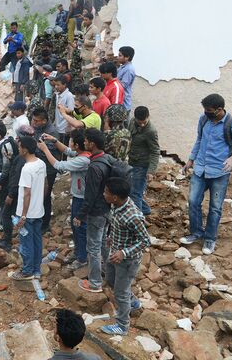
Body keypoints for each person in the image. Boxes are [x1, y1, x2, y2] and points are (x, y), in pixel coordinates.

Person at [180, 94, 232, 255]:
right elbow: (199, 140)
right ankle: (196, 232)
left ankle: (210, 238)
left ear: (219, 109)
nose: (206, 112)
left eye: (209, 110)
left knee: (215, 207)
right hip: (200, 168)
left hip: (220, 171)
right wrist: (190, 160)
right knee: (193, 201)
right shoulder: (204, 119)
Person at [99, 177, 150, 336]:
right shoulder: (115, 205)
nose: (103, 194)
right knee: (111, 281)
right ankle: (133, 302)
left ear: (114, 196)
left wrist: (123, 253)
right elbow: (117, 225)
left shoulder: (133, 216)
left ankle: (122, 326)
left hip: (127, 260)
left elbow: (145, 240)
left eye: (106, 192)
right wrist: (111, 238)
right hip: (115, 253)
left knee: (120, 293)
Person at [39, 129, 91, 270]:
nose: (69, 143)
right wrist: (54, 141)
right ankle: (79, 252)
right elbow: (68, 151)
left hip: (81, 198)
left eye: (71, 140)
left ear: (77, 145)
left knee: (79, 227)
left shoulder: (82, 160)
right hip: (78, 196)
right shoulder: (82, 154)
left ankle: (82, 258)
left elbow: (59, 165)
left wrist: (45, 149)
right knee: (76, 226)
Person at [77, 129, 114, 293]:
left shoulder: (94, 168)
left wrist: (80, 215)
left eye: (86, 141)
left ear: (92, 143)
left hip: (96, 213)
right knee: (104, 244)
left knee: (93, 248)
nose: (84, 143)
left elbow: (90, 196)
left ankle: (94, 283)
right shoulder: (107, 159)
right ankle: (109, 274)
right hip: (107, 210)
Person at [10, 136, 47, 281]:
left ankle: (27, 271)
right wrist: (39, 202)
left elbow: (27, 193)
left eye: (19, 147)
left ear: (25, 150)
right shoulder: (41, 164)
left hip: (26, 214)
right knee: (37, 241)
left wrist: (23, 215)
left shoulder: (27, 169)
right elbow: (45, 185)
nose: (18, 149)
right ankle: (36, 269)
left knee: (26, 243)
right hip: (38, 211)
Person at [127, 106, 159, 216]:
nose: (141, 124)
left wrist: (151, 171)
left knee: (135, 192)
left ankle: (137, 220)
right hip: (131, 161)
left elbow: (155, 151)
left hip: (142, 165)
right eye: (139, 122)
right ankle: (145, 210)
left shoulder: (151, 131)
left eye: (144, 122)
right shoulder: (131, 122)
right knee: (133, 191)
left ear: (148, 117)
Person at [53, 75, 75, 145]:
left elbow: (71, 112)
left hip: (64, 129)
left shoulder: (69, 96)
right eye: (55, 85)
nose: (56, 87)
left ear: (64, 85)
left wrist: (68, 127)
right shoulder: (57, 94)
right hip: (58, 126)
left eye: (58, 85)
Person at [117, 46, 136, 116]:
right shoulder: (123, 67)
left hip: (123, 104)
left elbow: (123, 85)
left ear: (127, 57)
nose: (118, 57)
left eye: (120, 55)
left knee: (123, 126)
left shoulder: (129, 69)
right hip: (120, 102)